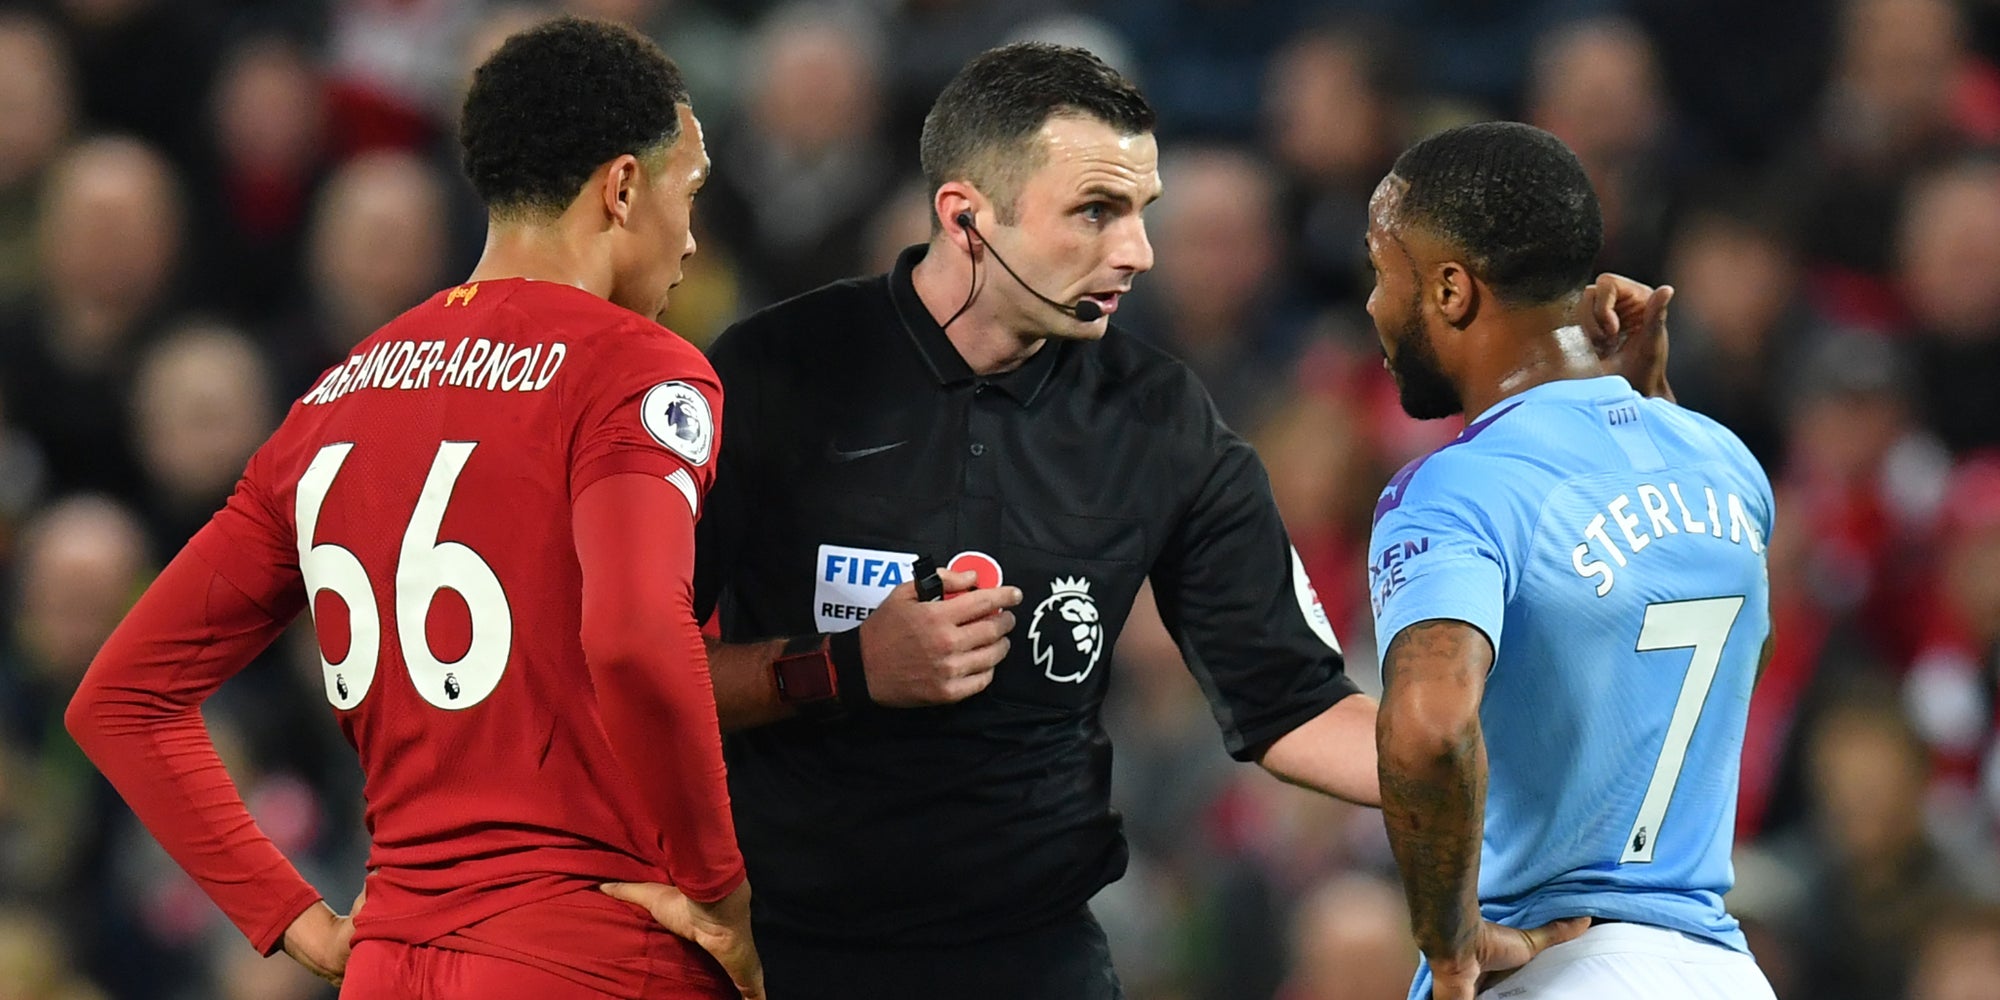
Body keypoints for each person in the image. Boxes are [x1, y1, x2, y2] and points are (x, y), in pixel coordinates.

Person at [618, 42, 1431, 1000]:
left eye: (1141, 212)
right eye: (1095, 211)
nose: (1137, 251)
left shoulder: (1163, 421)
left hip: (1035, 961)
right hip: (783, 955)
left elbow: (1296, 709)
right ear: (967, 217)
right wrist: (847, 670)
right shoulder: (775, 376)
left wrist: (1486, 774)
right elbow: (636, 677)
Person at [64, 17, 762, 999]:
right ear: (620, 188)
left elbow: (123, 696)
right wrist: (719, 888)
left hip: (390, 960)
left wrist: (291, 914)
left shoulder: (334, 395)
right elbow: (638, 636)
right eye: (686, 195)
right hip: (590, 952)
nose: (690, 240)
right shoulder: (635, 369)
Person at [1364, 121, 1778, 999]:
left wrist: (1451, 943)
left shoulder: (1453, 491)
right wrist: (1649, 398)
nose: (1371, 306)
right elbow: (1657, 627)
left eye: (1381, 273)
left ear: (1449, 289)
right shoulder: (1730, 465)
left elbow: (1430, 731)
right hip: (1721, 972)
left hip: (1557, 962)